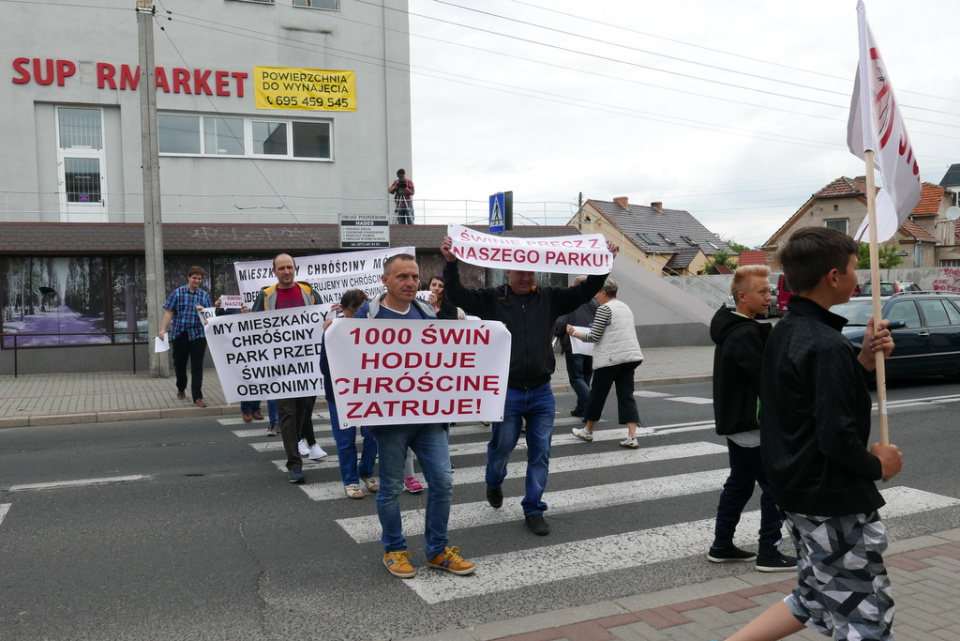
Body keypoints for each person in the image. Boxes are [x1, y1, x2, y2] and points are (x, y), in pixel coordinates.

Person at [722, 226, 901, 641]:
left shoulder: (786, 331)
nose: (860, 277)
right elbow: (835, 437)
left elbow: (809, 404)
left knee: (816, 594)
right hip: (831, 500)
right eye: (856, 268)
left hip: (796, 491)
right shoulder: (825, 343)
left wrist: (863, 359)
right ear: (834, 277)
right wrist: (879, 464)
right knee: (864, 620)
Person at [441, 235, 618, 536]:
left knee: (541, 452)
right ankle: (494, 481)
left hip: (541, 392)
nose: (525, 277)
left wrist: (605, 260)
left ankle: (534, 509)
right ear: (506, 272)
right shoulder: (493, 297)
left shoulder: (550, 297)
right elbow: (458, 295)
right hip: (507, 391)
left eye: (530, 272)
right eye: (518, 272)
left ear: (536, 273)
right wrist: (450, 263)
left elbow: (588, 289)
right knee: (502, 448)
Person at [355, 254, 474, 578]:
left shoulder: (425, 312)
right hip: (391, 423)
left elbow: (444, 357)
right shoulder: (369, 315)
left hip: (429, 418)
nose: (410, 283)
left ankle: (437, 550)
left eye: (414, 276)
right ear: (385, 281)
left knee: (443, 482)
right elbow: (348, 359)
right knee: (392, 487)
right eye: (402, 276)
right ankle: (394, 550)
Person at [705, 266, 796, 572]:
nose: (769, 297)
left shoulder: (735, 328)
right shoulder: (745, 333)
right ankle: (769, 552)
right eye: (763, 292)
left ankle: (721, 545)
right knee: (775, 489)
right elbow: (767, 380)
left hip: (738, 425)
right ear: (742, 296)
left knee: (740, 484)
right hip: (753, 425)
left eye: (770, 291)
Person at [250, 253, 322, 485]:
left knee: (303, 411)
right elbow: (250, 326)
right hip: (280, 368)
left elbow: (322, 321)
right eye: (281, 268)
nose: (286, 271)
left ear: (295, 269)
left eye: (289, 267)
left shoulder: (309, 293)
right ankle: (294, 464)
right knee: (288, 414)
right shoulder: (266, 295)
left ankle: (299, 446)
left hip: (307, 366)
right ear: (274, 271)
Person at [568, 278, 644, 448]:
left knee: (597, 395)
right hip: (629, 357)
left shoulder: (604, 309)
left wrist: (574, 333)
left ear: (603, 292)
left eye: (597, 292)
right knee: (626, 396)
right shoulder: (625, 307)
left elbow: (594, 336)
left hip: (610, 359)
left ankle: (587, 431)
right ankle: (632, 436)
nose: (596, 296)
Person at [321, 289, 379, 500]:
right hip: (341, 394)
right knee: (345, 439)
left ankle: (366, 473)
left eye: (362, 310)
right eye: (354, 311)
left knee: (372, 436)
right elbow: (324, 366)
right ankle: (350, 480)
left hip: (368, 392)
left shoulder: (372, 329)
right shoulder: (332, 330)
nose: (359, 316)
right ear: (343, 309)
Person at [158, 265, 213, 407]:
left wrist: (206, 316)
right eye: (194, 278)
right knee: (180, 365)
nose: (197, 281)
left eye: (199, 279)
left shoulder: (204, 295)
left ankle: (197, 397)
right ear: (189, 277)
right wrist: (163, 330)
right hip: (180, 333)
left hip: (198, 335)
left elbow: (209, 315)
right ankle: (181, 387)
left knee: (197, 366)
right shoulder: (177, 293)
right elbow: (169, 312)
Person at [215, 297, 267, 423]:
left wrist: (250, 315)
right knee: (246, 377)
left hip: (257, 345)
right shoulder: (232, 303)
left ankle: (256, 408)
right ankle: (247, 410)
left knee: (257, 377)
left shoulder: (260, 300)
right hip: (241, 346)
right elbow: (221, 320)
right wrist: (218, 309)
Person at [554, 275, 598, 418]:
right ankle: (581, 409)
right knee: (585, 377)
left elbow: (561, 322)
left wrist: (557, 332)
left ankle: (592, 405)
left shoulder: (571, 301)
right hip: (591, 343)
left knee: (576, 378)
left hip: (574, 342)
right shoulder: (595, 302)